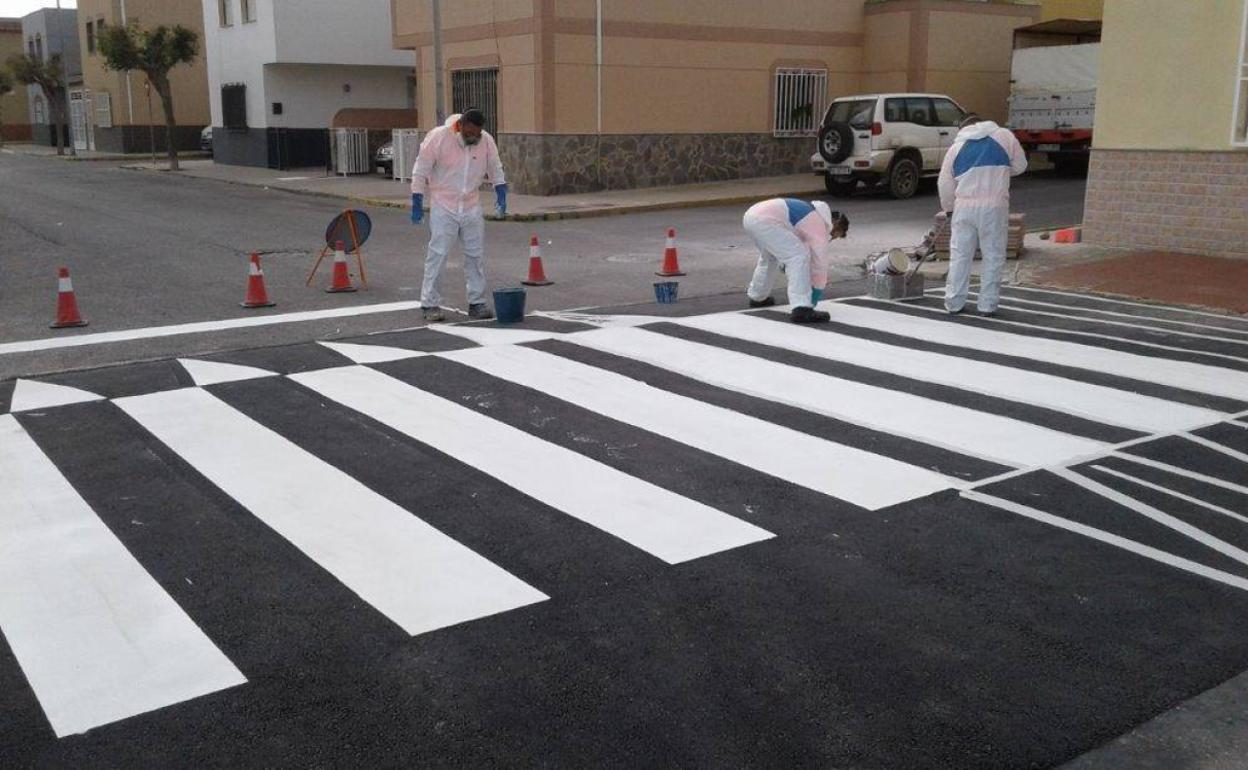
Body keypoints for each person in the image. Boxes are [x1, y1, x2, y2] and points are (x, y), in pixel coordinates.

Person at [410, 108, 508, 322]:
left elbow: (495, 167)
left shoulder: (486, 141)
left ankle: (477, 302)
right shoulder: (439, 137)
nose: (474, 137)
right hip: (443, 204)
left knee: (475, 255)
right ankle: (430, 303)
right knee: (438, 254)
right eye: (470, 133)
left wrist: (501, 192)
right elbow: (421, 169)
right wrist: (417, 199)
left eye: (478, 134)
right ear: (460, 126)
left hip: (471, 205)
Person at [937, 113, 1027, 316]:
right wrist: (1000, 173)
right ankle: (987, 305)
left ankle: (954, 302)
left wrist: (949, 209)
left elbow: (944, 182)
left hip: (964, 207)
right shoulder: (1004, 136)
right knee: (993, 255)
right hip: (995, 206)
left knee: (960, 256)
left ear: (964, 129)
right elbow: (1021, 166)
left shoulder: (956, 147)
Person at [742, 198, 844, 323]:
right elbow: (819, 262)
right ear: (835, 223)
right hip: (766, 221)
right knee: (798, 257)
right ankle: (801, 308)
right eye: (834, 234)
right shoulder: (817, 222)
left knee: (770, 257)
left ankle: (758, 296)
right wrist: (816, 292)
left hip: (751, 216)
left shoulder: (809, 212)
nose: (831, 237)